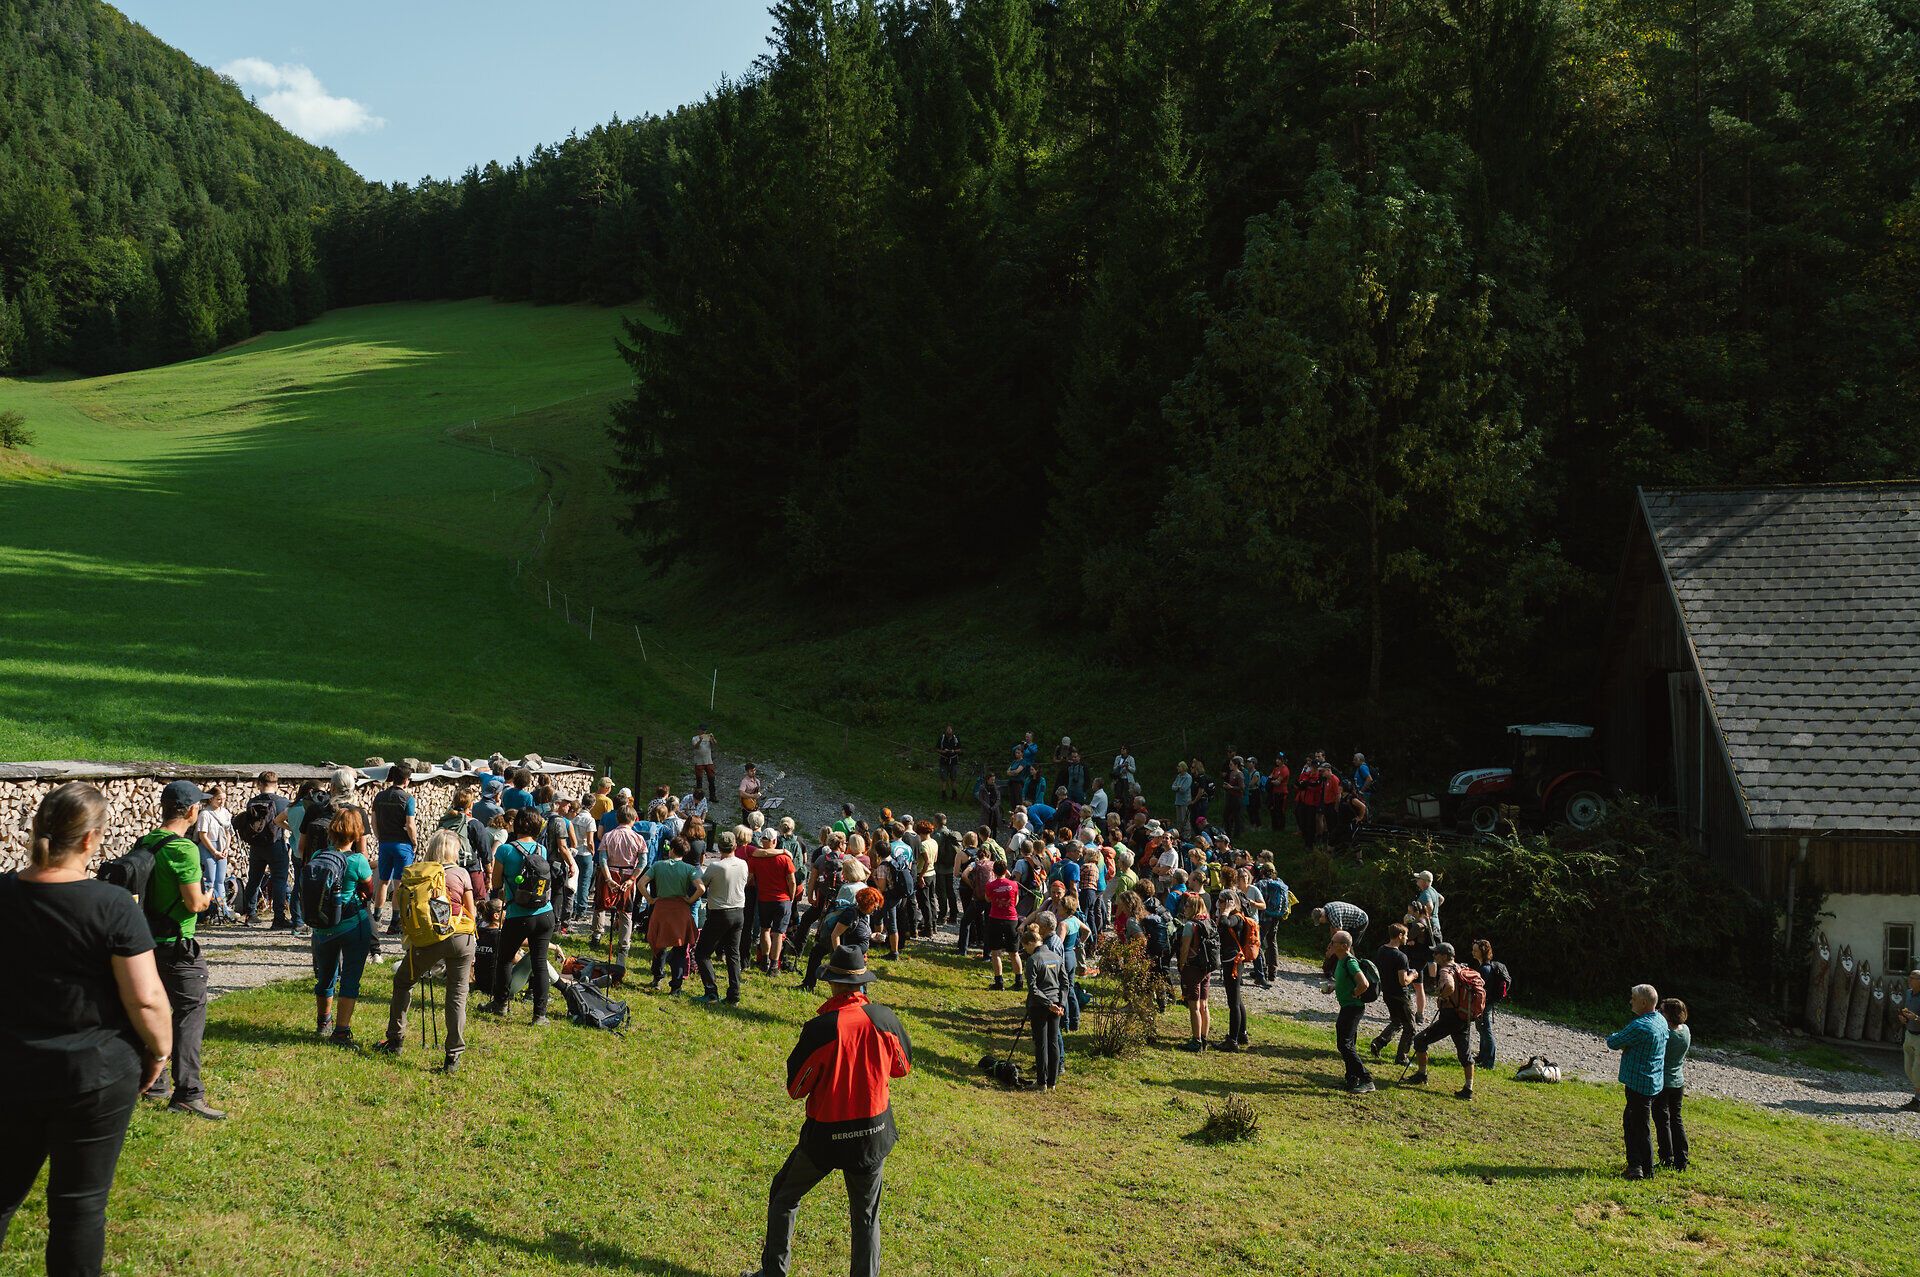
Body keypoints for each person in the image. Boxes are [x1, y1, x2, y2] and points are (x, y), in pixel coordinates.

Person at [1, 784, 174, 1276]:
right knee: (79, 1208)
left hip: (10, 1067)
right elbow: (145, 997)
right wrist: (159, 1052)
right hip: (92, 1075)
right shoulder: (112, 904)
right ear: (91, 840)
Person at [744, 944, 911, 1277]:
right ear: (862, 983)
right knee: (866, 1218)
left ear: (832, 983)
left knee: (784, 1195)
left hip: (826, 1136)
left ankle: (773, 1273)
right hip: (872, 1135)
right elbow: (902, 1067)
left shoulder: (821, 1029)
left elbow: (796, 1089)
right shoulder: (885, 1019)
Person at [131, 779, 223, 1118]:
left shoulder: (148, 841)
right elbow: (194, 901)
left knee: (157, 1009)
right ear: (191, 810)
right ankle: (188, 1092)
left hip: (147, 942)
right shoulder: (183, 849)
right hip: (179, 947)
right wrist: (209, 898)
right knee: (189, 1015)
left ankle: (153, 1083)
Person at [375, 830, 476, 1072]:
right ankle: (453, 1055)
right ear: (455, 851)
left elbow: (399, 903)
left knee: (403, 982)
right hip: (461, 937)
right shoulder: (461, 873)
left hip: (428, 939)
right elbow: (471, 910)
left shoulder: (418, 873)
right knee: (457, 994)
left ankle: (395, 1038)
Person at [308, 804, 376, 1046]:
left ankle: (322, 1022)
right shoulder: (358, 861)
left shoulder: (318, 857)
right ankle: (341, 1032)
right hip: (351, 924)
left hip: (322, 928)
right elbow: (370, 890)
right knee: (350, 978)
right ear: (356, 834)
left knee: (325, 977)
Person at [486, 808, 558, 1024]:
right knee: (539, 962)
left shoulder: (505, 851)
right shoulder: (541, 850)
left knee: (505, 960)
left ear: (515, 825)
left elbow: (496, 883)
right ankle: (540, 1014)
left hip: (518, 915)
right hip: (545, 914)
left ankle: (500, 1004)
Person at [1606, 983, 1670, 1179]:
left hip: (1638, 1084)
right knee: (1633, 1122)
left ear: (1643, 1003)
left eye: (1633, 998)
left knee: (1638, 1127)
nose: (1630, 1000)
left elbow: (1613, 1042)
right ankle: (1636, 1165)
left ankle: (1643, 1169)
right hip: (1653, 1082)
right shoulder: (1660, 1020)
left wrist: (1623, 1042)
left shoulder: (1640, 1025)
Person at [1404, 942, 1481, 1100]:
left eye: (1436, 954)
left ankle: (1421, 1075)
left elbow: (1450, 987)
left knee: (1420, 1040)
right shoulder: (1461, 967)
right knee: (1465, 1053)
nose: (1434, 956)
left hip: (1450, 1016)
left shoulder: (1446, 970)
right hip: (1463, 1016)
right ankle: (1468, 1088)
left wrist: (1442, 996)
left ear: (1445, 956)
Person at [641, 837, 705, 994]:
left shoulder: (658, 865)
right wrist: (690, 899)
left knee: (659, 944)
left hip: (661, 908)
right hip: (681, 910)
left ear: (671, 850)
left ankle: (657, 977)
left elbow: (641, 883)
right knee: (680, 948)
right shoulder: (689, 869)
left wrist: (650, 899)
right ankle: (676, 985)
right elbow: (701, 888)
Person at [696, 830, 751, 1004]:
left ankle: (711, 991)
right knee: (733, 955)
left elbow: (702, 884)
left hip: (720, 913)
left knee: (702, 953)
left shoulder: (716, 867)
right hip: (739, 912)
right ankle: (734, 994)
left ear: (719, 847)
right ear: (735, 846)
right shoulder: (743, 864)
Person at [591, 804, 646, 967]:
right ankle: (624, 945)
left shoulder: (608, 836)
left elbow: (602, 859)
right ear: (635, 819)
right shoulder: (638, 838)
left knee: (600, 905)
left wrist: (608, 878)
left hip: (610, 873)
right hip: (628, 875)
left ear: (617, 818)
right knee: (626, 911)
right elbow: (643, 862)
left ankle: (596, 935)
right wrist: (632, 879)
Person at [235, 771, 292, 928]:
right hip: (276, 844)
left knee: (254, 879)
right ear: (277, 784)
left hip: (256, 846)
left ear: (259, 784)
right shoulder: (283, 802)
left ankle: (250, 914)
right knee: (279, 881)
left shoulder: (251, 802)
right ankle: (278, 918)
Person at [369, 763, 420, 938]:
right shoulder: (408, 798)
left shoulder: (379, 796)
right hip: (402, 845)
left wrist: (379, 837)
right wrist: (414, 842)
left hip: (385, 843)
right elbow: (410, 824)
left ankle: (376, 918)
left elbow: (373, 821)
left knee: (383, 881)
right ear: (406, 780)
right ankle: (394, 923)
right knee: (399, 884)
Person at [1023, 915, 1069, 1090]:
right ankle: (1053, 1082)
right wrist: (1061, 1004)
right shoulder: (1056, 957)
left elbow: (1033, 989)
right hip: (1057, 1004)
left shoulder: (1033, 960)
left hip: (1040, 1006)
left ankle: (1041, 1082)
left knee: (1041, 1043)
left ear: (1029, 944)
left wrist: (1048, 1003)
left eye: (1024, 947)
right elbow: (1065, 983)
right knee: (1054, 1042)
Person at [1328, 929, 1374, 1093]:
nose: (1330, 945)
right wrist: (1333, 987)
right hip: (1347, 1007)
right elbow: (1345, 981)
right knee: (1348, 1044)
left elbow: (1364, 984)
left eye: (1333, 942)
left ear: (1344, 946)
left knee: (1345, 1045)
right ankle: (1352, 1079)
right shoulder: (1340, 960)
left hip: (1353, 1008)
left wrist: (1353, 994)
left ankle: (1366, 1079)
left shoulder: (1350, 961)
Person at [1369, 923, 1418, 1066]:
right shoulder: (1400, 956)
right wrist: (1413, 975)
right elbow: (1403, 981)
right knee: (1410, 1027)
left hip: (1388, 993)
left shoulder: (1381, 950)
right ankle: (1402, 1057)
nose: (1407, 938)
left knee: (1397, 1022)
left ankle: (1378, 1043)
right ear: (1400, 936)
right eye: (1406, 935)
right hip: (1400, 996)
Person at [1175, 892, 1218, 1052]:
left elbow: (1185, 948)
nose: (1184, 908)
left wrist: (1181, 964)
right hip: (1206, 967)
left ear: (1193, 907)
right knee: (1204, 1005)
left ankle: (1196, 1041)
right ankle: (1204, 1038)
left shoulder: (1190, 925)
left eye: (1186, 905)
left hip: (1193, 967)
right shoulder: (1208, 921)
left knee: (1193, 1006)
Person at [1216, 890, 1258, 1051]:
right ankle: (1242, 1034)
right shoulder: (1231, 915)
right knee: (1237, 1000)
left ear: (1229, 902)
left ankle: (1232, 1041)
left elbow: (1225, 924)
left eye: (1221, 901)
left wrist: (1225, 911)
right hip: (1232, 960)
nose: (1218, 904)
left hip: (1233, 962)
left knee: (1233, 1003)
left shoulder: (1236, 917)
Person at [1653, 998, 1690, 1171]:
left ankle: (1666, 1156)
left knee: (1662, 1121)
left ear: (1669, 1015)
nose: (1658, 1013)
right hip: (1678, 1081)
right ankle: (1682, 1159)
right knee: (1676, 1119)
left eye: (1661, 1011)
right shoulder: (1686, 1031)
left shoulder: (1666, 1033)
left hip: (1663, 1082)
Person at [192, 784, 238, 924]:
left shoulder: (225, 813)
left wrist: (225, 848)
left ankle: (222, 909)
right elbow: (203, 835)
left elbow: (228, 832)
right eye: (219, 799)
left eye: (223, 799)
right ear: (211, 799)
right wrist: (214, 851)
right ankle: (208, 910)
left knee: (220, 880)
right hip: (208, 848)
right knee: (209, 880)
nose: (222, 802)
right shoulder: (205, 814)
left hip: (221, 847)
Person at [982, 860, 1022, 991]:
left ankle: (999, 982)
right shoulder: (1014, 884)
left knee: (996, 952)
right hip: (1011, 919)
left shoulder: (990, 885)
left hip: (995, 918)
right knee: (1014, 952)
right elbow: (1015, 902)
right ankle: (1019, 981)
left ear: (993, 871)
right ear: (1006, 871)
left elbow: (987, 899)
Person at [1471, 939, 1510, 1066]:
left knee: (1485, 1029)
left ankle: (1489, 1062)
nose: (1473, 952)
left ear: (1482, 952)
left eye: (1475, 950)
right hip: (1488, 1002)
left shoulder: (1485, 969)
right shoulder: (1486, 967)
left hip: (1485, 1003)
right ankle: (1482, 1056)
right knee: (1482, 1028)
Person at [1899, 968, 1920, 1111]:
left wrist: (1917, 1018)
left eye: (1913, 978)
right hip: (1909, 1034)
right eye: (1910, 977)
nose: (1910, 980)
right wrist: (1904, 1018)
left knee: (1917, 1069)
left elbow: (1916, 1017)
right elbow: (1906, 1010)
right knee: (1908, 1069)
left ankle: (1917, 1100)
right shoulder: (1908, 993)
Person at [692, 724, 718, 799]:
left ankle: (712, 796)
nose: (704, 731)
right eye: (702, 730)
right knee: (699, 780)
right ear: (699, 730)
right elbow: (695, 747)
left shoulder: (708, 737)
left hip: (709, 761)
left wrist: (712, 738)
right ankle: (698, 797)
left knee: (711, 779)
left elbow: (715, 744)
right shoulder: (695, 738)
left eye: (705, 730)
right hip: (699, 761)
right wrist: (700, 740)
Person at [936, 724, 961, 800]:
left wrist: (953, 751)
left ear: (952, 731)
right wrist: (943, 751)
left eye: (950, 729)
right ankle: (943, 794)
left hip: (953, 761)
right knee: (943, 778)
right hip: (944, 760)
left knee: (953, 778)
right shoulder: (942, 738)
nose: (949, 731)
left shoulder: (956, 739)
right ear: (946, 730)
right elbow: (936, 749)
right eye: (948, 729)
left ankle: (954, 794)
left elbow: (960, 749)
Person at [1171, 761, 1192, 835]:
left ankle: (1187, 834)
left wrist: (1177, 787)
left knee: (1185, 819)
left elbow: (1184, 789)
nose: (1177, 768)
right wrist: (1178, 787)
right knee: (1179, 819)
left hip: (1185, 801)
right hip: (1178, 800)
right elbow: (1173, 787)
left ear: (1183, 767)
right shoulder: (1178, 776)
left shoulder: (1188, 777)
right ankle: (1179, 834)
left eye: (1179, 766)